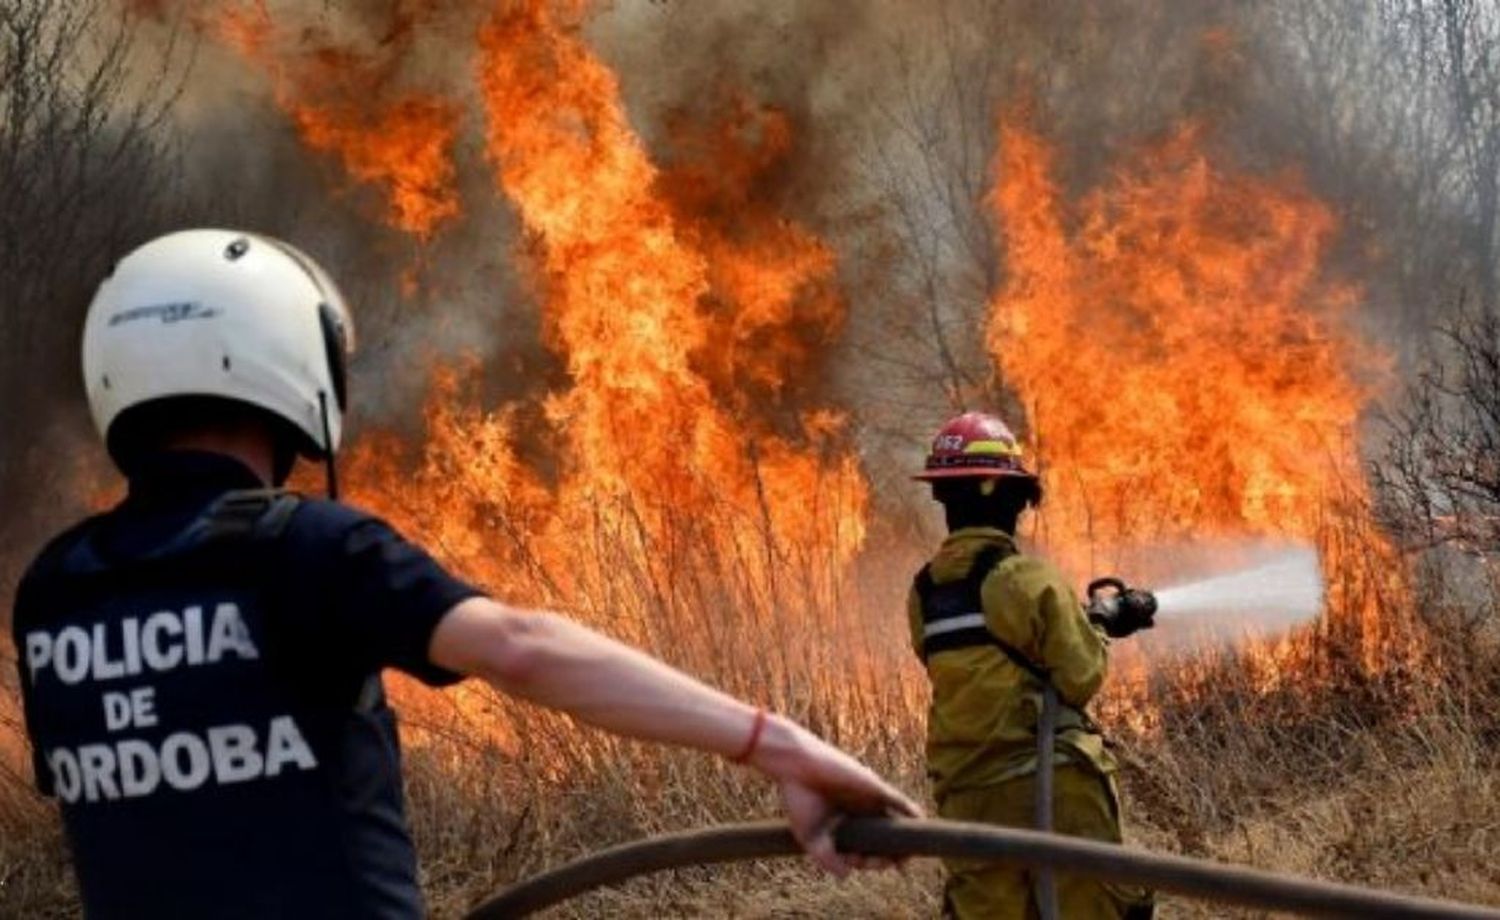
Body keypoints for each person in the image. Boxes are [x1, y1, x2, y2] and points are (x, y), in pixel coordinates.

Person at [11, 228, 920, 919]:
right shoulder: (309, 548)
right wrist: (782, 746)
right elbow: (520, 648)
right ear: (291, 359)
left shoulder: (55, 589)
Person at [908, 411, 1153, 919]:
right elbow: (1080, 675)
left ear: (941, 497)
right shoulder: (1029, 578)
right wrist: (1102, 626)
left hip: (967, 796)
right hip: (1051, 783)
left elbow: (974, 662)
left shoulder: (924, 590)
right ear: (1015, 499)